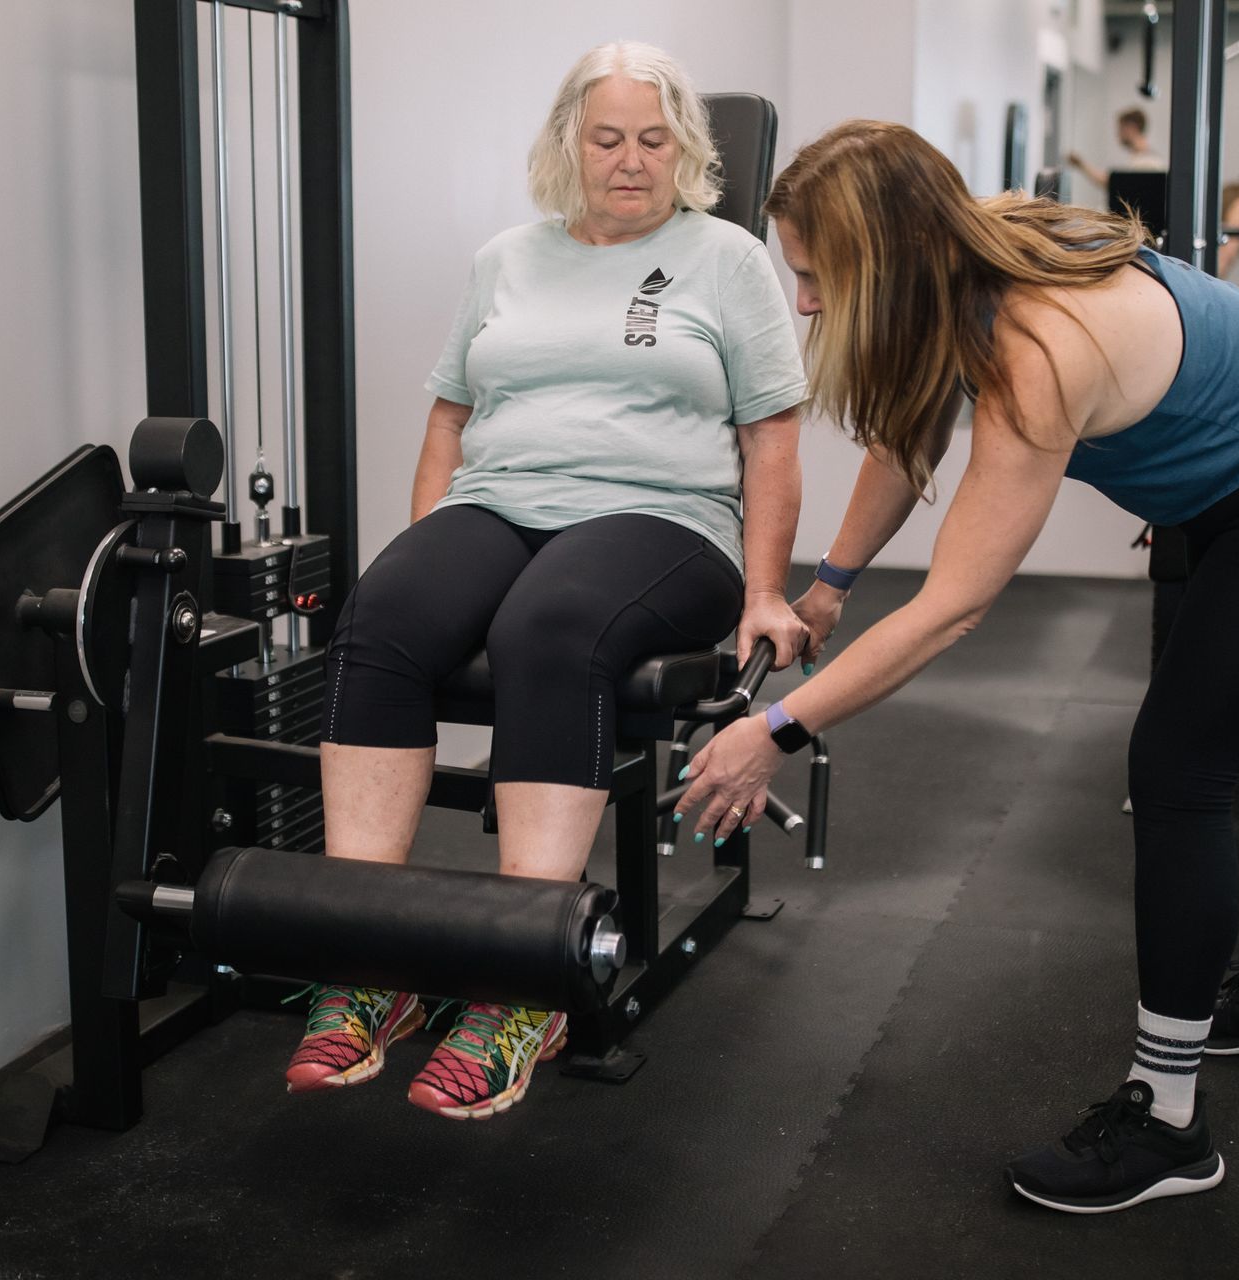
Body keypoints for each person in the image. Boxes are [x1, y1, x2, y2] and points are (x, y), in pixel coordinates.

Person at [676, 120, 1239, 1213]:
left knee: (1179, 766)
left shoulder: (1035, 350)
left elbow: (954, 609)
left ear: (882, 263)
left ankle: (1168, 1120)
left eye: (817, 277)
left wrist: (775, 728)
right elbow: (905, 430)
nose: (807, 305)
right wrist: (830, 580)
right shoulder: (964, 259)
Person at [292, 42, 809, 1121]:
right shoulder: (506, 256)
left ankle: (523, 982)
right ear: (571, 143)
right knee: (381, 612)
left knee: (552, 626)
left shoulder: (726, 259)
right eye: (608, 137)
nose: (630, 161)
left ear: (687, 150)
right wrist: (428, 548)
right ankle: (368, 962)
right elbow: (449, 411)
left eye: (654, 140)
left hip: (663, 518)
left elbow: (770, 435)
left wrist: (768, 590)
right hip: (504, 497)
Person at [1066, 106, 1168, 189]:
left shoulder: (1147, 163)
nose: (1118, 134)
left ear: (1131, 128)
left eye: (1120, 129)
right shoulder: (1142, 159)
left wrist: (1081, 164)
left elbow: (1110, 184)